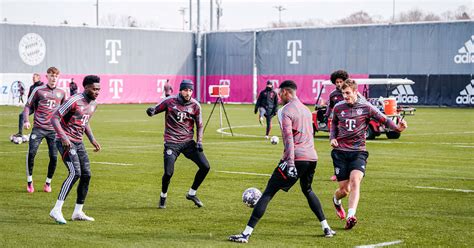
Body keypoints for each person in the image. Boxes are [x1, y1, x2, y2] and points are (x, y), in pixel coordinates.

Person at [229, 80, 336, 243]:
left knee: (268, 192)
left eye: (280, 93)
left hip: (296, 158)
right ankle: (326, 227)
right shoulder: (306, 110)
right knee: (307, 190)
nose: (278, 96)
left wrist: (291, 163)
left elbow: (288, 140)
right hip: (312, 157)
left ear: (286, 92)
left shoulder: (285, 111)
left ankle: (245, 234)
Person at [330, 79, 407, 229]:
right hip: (340, 152)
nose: (345, 96)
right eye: (343, 93)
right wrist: (332, 137)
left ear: (355, 92)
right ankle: (336, 200)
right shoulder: (338, 107)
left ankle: (351, 216)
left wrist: (397, 128)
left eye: (347, 93)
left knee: (355, 181)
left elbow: (384, 119)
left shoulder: (366, 107)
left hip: (358, 152)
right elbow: (333, 123)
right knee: (344, 190)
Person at [146, 79, 210, 209]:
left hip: (188, 143)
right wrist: (151, 111)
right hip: (171, 143)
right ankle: (163, 196)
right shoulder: (170, 101)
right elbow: (155, 109)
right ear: (180, 90)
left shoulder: (195, 105)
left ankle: (192, 194)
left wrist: (199, 142)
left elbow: (200, 125)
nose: (188, 92)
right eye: (186, 90)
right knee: (168, 173)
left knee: (205, 167)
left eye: (190, 90)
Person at [49, 75, 102, 224]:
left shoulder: (94, 104)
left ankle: (78, 212)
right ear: (86, 88)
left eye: (99, 89)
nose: (97, 91)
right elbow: (54, 117)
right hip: (65, 141)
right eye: (94, 89)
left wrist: (92, 139)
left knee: (87, 174)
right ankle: (56, 209)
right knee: (75, 173)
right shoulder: (74, 100)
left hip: (79, 142)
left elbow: (84, 122)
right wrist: (64, 137)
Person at [23, 67, 66, 193]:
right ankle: (30, 182)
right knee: (31, 154)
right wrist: (26, 120)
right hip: (38, 128)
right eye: (51, 75)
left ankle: (48, 183)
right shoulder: (38, 90)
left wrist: (64, 129)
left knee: (53, 157)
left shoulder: (62, 93)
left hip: (54, 131)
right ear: (47, 76)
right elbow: (27, 106)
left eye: (56, 76)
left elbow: (64, 111)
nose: (53, 78)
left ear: (58, 77)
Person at [325, 70, 349, 182]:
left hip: (350, 127)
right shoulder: (333, 95)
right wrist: (326, 116)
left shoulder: (350, 92)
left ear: (345, 81)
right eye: (337, 82)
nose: (339, 84)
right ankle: (337, 173)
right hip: (338, 127)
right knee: (336, 151)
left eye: (341, 81)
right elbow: (329, 109)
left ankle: (354, 169)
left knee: (350, 150)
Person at [13, 73, 43, 138]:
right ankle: (20, 133)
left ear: (38, 78)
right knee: (21, 115)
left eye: (34, 77)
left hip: (40, 107)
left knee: (40, 121)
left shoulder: (42, 86)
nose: (33, 79)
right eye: (33, 77)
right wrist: (27, 106)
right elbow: (29, 97)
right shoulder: (32, 87)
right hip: (32, 106)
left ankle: (39, 136)